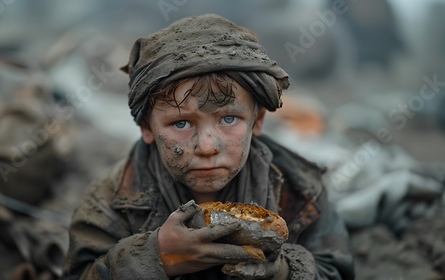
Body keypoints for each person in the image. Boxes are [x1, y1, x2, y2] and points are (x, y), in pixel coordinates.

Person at [62, 14, 354, 280]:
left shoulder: (301, 190)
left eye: (229, 119)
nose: (207, 147)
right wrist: (156, 257)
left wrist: (282, 273)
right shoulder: (113, 198)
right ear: (147, 129)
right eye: (180, 124)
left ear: (257, 121)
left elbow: (337, 272)